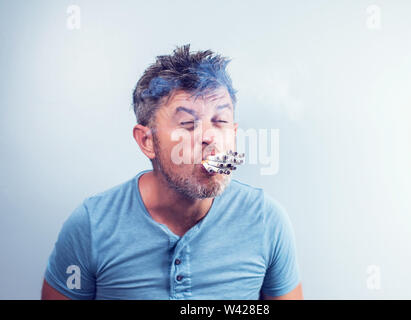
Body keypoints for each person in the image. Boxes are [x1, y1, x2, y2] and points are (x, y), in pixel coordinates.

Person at [41, 44, 303, 300]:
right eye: (188, 124)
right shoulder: (90, 226)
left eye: (220, 122)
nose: (210, 137)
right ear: (147, 141)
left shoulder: (268, 222)